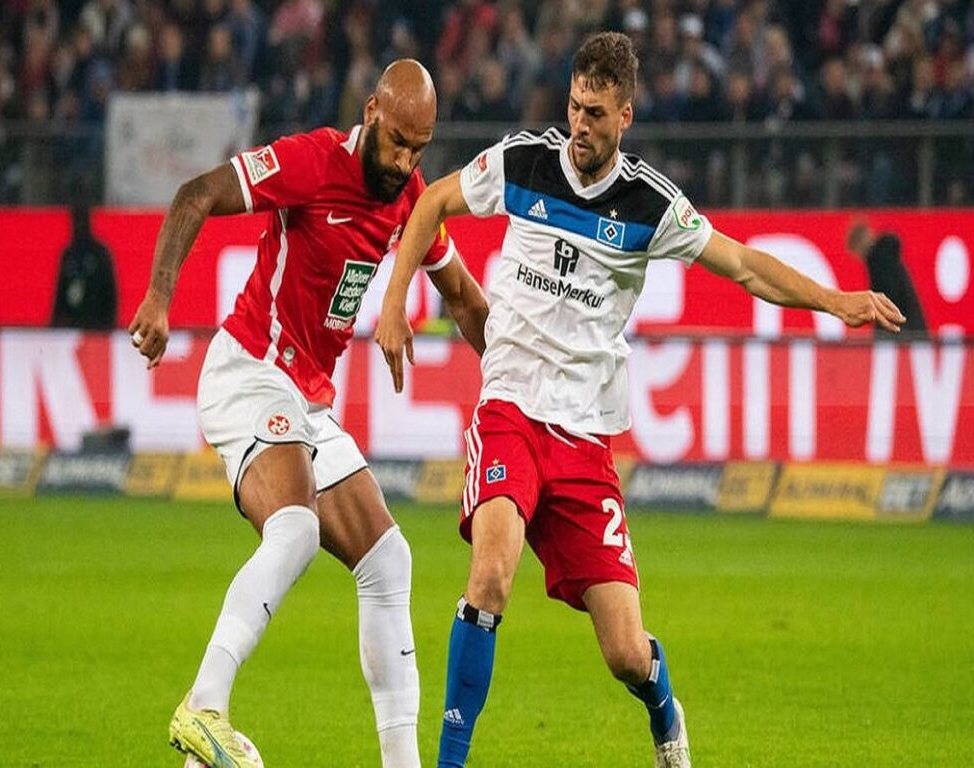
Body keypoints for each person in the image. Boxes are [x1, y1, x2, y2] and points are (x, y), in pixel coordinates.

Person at [375, 33, 905, 768]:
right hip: (510, 408)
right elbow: (434, 200)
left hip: (584, 437)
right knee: (490, 575)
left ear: (625, 115)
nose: (579, 125)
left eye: (595, 113)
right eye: (573, 107)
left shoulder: (650, 204)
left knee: (626, 652)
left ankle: (664, 708)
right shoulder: (524, 162)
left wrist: (836, 300)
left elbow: (744, 266)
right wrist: (394, 303)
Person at [128, 59, 488, 768]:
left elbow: (463, 297)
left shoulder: (410, 196)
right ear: (372, 111)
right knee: (294, 528)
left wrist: (513, 372)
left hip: (308, 402)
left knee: (388, 559)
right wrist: (159, 298)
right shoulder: (313, 161)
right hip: (249, 371)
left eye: (419, 149)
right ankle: (203, 704)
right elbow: (196, 193)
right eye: (397, 143)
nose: (405, 163)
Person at [847, 221, 927, 336]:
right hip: (912, 322)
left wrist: (880, 326)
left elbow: (886, 295)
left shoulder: (876, 260)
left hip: (901, 327)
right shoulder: (886, 254)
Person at [50, 203, 117, 329]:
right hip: (70, 323)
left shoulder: (99, 253)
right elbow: (60, 290)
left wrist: (108, 322)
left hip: (95, 323)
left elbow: (109, 290)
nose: (78, 226)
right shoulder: (69, 254)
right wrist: (56, 320)